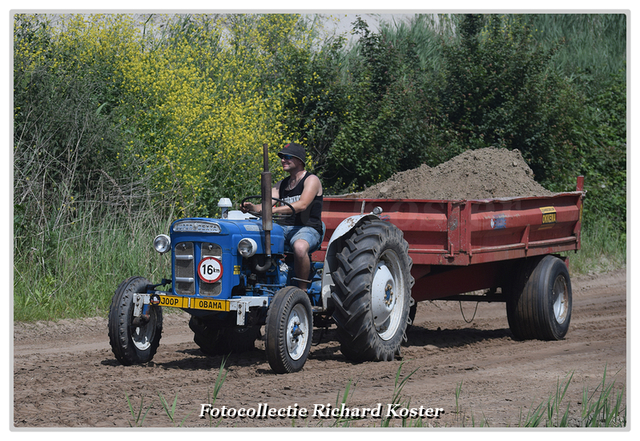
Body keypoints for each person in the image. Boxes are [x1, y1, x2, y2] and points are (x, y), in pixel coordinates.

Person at [242, 143, 323, 289]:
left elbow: (302, 204)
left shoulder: (311, 180)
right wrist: (251, 208)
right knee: (251, 239)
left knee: (299, 247)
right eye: (282, 157)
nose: (283, 160)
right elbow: (266, 205)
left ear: (299, 160)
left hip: (307, 228)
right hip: (284, 229)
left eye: (287, 157)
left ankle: (302, 290)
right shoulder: (282, 184)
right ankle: (257, 282)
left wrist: (272, 211)